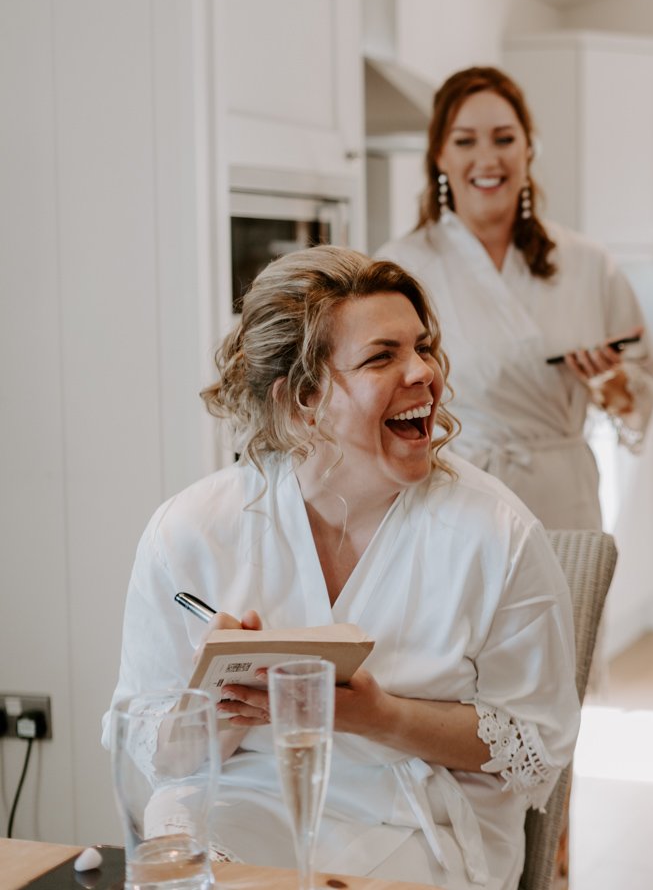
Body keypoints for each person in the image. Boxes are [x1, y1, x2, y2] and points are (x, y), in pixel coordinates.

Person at [104, 246, 580, 889]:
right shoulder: (190, 533)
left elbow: (534, 746)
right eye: (383, 356)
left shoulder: (497, 535)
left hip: (420, 823)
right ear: (303, 399)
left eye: (425, 347)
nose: (424, 373)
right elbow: (157, 756)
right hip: (241, 804)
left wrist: (378, 717)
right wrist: (220, 709)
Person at [379, 65, 653, 531]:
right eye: (465, 141)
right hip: (454, 499)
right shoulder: (400, 269)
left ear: (529, 148)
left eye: (504, 139)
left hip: (563, 499)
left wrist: (612, 385)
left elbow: (643, 379)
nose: (487, 158)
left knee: (567, 603)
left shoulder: (588, 263)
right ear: (439, 155)